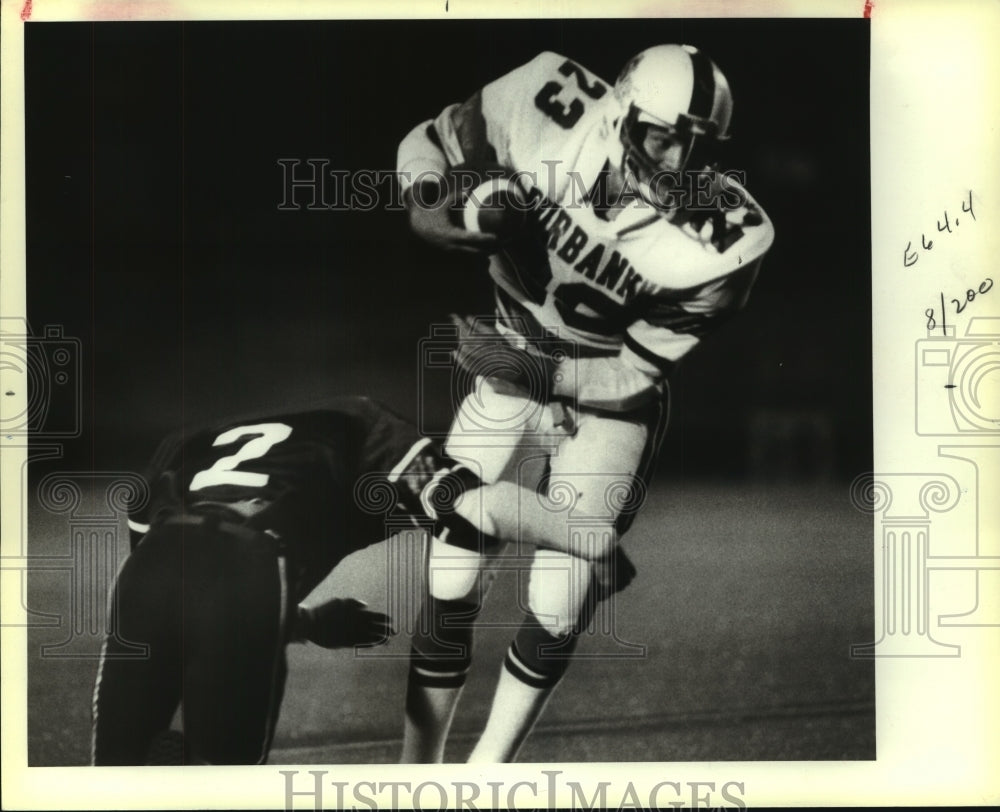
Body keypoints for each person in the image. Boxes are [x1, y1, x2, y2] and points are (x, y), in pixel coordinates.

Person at [396, 44, 775, 762]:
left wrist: (531, 372)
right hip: (514, 365)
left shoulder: (729, 236)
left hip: (602, 401)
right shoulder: (546, 100)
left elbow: (635, 374)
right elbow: (427, 142)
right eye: (662, 135)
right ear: (622, 112)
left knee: (559, 599)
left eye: (696, 144)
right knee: (450, 573)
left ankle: (485, 777)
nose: (676, 162)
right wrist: (428, 209)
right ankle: (417, 775)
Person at [90, 395, 629, 765]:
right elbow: (478, 508)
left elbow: (188, 583)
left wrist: (305, 622)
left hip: (151, 571)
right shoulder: (366, 426)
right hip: (249, 568)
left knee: (111, 781)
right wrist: (597, 543)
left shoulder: (186, 441)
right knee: (220, 781)